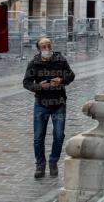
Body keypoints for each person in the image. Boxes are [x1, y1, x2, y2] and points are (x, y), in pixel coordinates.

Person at [23, 37, 75, 178]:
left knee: (59, 135)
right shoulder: (34, 63)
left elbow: (71, 75)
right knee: (38, 137)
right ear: (39, 49)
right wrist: (39, 87)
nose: (46, 49)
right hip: (41, 104)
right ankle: (40, 165)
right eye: (43, 47)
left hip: (59, 103)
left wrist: (62, 80)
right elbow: (26, 82)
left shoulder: (60, 60)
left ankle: (53, 161)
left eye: (48, 45)